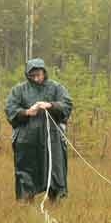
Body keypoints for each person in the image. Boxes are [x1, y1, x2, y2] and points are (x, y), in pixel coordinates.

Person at [5, 58, 73, 202]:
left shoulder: (56, 87)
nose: (36, 78)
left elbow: (66, 105)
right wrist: (27, 112)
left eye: (39, 74)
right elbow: (10, 109)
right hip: (27, 141)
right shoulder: (19, 90)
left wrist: (50, 105)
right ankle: (26, 202)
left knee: (54, 171)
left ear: (44, 72)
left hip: (52, 139)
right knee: (26, 172)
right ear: (28, 75)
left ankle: (56, 201)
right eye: (33, 75)